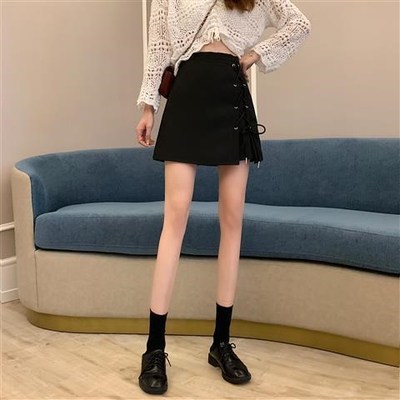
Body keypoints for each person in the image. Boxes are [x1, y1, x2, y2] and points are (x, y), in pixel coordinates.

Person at [135, 0, 311, 395]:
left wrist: (255, 54)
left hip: (232, 100)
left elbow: (298, 23)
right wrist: (148, 107)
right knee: (174, 220)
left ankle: (221, 343)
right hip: (187, 98)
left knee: (232, 222)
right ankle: (154, 349)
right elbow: (159, 49)